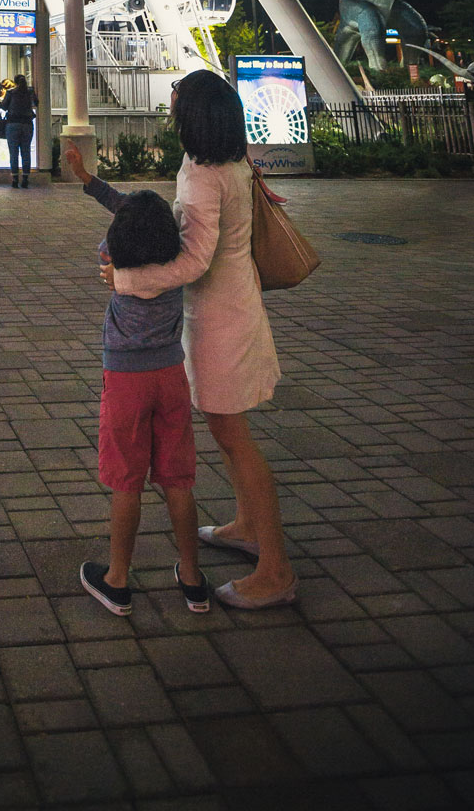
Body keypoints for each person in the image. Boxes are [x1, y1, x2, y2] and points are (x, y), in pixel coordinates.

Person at [73, 70, 296, 609]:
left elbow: (194, 260)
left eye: (175, 105)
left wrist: (124, 280)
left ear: (191, 115)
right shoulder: (232, 160)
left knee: (236, 441)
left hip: (221, 322)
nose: (170, 112)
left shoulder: (201, 174)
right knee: (226, 436)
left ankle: (276, 570)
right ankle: (246, 525)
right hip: (231, 309)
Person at [69, 172, 208, 617]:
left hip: (126, 381)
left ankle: (117, 579)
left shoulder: (112, 260)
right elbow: (142, 219)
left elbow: (126, 222)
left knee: (127, 481)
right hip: (170, 375)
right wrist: (93, 183)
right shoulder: (178, 264)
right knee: (177, 479)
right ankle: (192, 579)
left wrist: (93, 185)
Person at [0, 72, 37, 188]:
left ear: (14, 82)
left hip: (13, 124)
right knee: (26, 152)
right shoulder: (30, 92)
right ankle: (25, 179)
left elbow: (4, 106)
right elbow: (36, 103)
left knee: (13, 152)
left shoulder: (11, 93)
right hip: (27, 124)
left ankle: (15, 179)